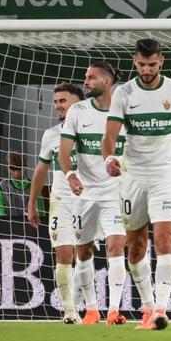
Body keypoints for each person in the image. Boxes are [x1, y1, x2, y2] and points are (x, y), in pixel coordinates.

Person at [102, 38, 171, 330]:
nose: (146, 69)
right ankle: (148, 308)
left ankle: (161, 309)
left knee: (164, 240)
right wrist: (109, 158)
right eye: (141, 64)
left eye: (151, 64)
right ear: (134, 62)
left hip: (164, 175)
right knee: (134, 249)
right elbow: (109, 136)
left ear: (161, 61)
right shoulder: (124, 93)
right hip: (132, 177)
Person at [57, 61, 129, 325]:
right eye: (85, 77)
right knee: (83, 251)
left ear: (107, 81)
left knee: (115, 246)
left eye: (91, 78)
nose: (85, 81)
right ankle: (91, 309)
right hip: (85, 193)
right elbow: (64, 151)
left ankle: (113, 310)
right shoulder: (78, 111)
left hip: (116, 192)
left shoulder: (125, 111)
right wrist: (70, 174)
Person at [27, 84, 82, 323]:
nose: (57, 105)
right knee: (63, 253)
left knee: (84, 254)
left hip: (89, 201)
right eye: (56, 101)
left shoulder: (95, 130)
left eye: (63, 101)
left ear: (78, 104)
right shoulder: (51, 135)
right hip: (60, 200)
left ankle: (87, 307)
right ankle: (69, 310)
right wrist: (32, 204)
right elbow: (40, 172)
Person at [0, 152, 35, 218]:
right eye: (13, 169)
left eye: (19, 169)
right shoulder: (2, 187)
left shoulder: (34, 186)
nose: (16, 173)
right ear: (8, 168)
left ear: (25, 167)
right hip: (8, 226)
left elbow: (41, 211)